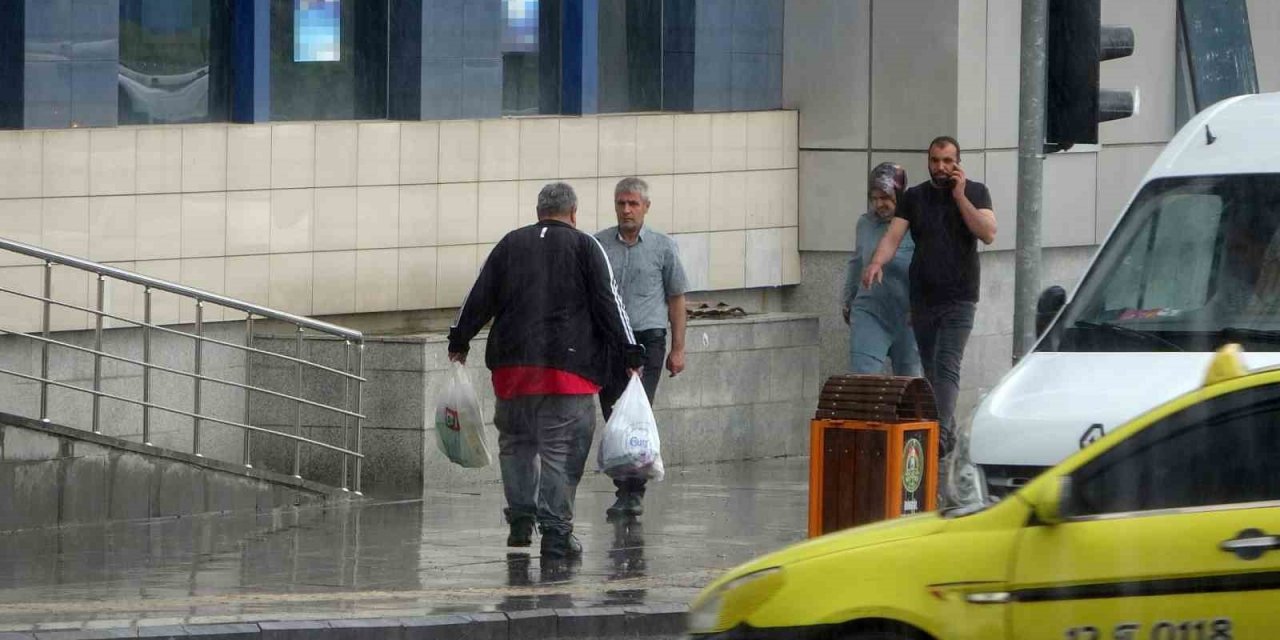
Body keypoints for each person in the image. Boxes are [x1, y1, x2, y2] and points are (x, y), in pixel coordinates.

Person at [447, 182, 644, 559]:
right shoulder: (587, 246)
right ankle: (555, 533)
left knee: (516, 444)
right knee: (560, 451)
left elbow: (479, 295)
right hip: (566, 372)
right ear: (573, 213)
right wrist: (631, 351)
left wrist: (460, 339)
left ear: (539, 212)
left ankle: (520, 522)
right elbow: (609, 302)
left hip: (511, 370)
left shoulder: (510, 244)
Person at [861, 137, 997, 457]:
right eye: (936, 161)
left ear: (958, 163)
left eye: (948, 161)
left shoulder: (976, 192)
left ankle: (940, 436)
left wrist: (960, 197)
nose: (941, 167)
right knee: (931, 369)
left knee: (947, 365)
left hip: (960, 298)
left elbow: (988, 233)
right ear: (929, 161)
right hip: (923, 299)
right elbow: (893, 235)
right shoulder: (915, 197)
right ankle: (940, 433)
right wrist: (876, 263)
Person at [594, 177, 689, 520]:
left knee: (636, 416)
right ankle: (625, 486)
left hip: (648, 339)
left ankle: (631, 494)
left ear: (646, 207)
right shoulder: (599, 244)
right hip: (610, 341)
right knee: (612, 415)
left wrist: (678, 349)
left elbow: (677, 300)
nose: (626, 210)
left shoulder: (663, 248)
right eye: (621, 203)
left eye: (633, 204)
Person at [841, 163, 921, 376]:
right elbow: (857, 263)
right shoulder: (865, 223)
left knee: (910, 383)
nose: (879, 204)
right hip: (870, 311)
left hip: (909, 316)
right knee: (863, 378)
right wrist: (848, 300)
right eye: (874, 198)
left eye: (885, 198)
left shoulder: (918, 225)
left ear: (899, 194)